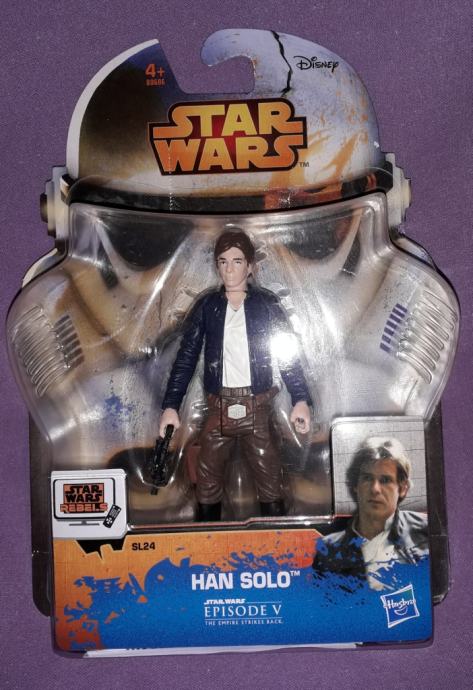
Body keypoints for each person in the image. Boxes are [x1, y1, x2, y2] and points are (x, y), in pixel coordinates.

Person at [159, 229, 312, 521]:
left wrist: (300, 398)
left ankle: (276, 532)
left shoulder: (266, 305)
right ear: (217, 266)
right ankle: (208, 532)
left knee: (269, 472)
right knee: (207, 474)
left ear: (251, 266)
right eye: (223, 261)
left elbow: (287, 356)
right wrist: (171, 406)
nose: (230, 269)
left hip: (258, 406)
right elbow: (186, 358)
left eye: (237, 261)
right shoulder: (207, 307)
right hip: (219, 407)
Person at [313, 437, 428, 590]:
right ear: (355, 485)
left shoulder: (426, 532)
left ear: (402, 488)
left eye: (385, 480)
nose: (375, 489)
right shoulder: (328, 551)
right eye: (367, 478)